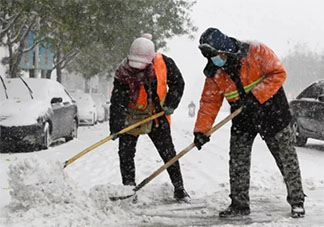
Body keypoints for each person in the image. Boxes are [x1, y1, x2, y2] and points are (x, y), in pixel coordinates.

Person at [193, 28, 305, 218]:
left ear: (226, 50)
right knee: (238, 160)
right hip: (242, 116)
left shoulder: (256, 51)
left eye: (215, 55)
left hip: (273, 111)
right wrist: (201, 131)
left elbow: (278, 73)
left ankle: (297, 201)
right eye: (209, 57)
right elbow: (209, 102)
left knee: (285, 158)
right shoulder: (215, 72)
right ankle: (239, 204)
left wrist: (256, 96)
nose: (214, 60)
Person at [109, 34, 190, 202]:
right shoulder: (123, 71)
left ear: (150, 58)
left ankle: (179, 188)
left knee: (168, 153)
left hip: (156, 116)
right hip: (131, 117)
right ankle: (129, 189)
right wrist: (116, 126)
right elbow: (117, 101)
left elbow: (178, 83)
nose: (137, 69)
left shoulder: (164, 63)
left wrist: (171, 103)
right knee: (125, 154)